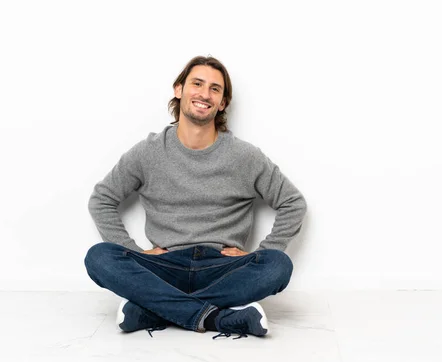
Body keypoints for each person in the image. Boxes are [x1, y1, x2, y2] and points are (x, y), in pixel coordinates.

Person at [84, 56, 307, 340]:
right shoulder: (148, 152)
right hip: (165, 266)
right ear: (179, 90)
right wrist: (135, 251)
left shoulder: (245, 156)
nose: (204, 94)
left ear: (223, 103)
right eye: (197, 84)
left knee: (277, 265)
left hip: (222, 267)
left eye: (215, 89)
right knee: (99, 257)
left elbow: (293, 203)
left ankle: (155, 310)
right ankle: (217, 317)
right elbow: (102, 199)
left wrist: (260, 253)